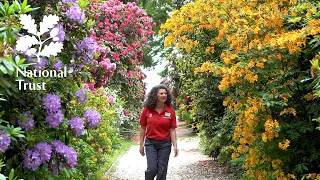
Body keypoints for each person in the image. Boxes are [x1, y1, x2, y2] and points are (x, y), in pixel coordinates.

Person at [139, 84, 179, 180]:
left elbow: (172, 130)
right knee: (152, 169)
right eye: (161, 93)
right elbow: (143, 127)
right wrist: (141, 145)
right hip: (150, 143)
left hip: (165, 144)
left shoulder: (170, 111)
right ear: (155, 95)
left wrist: (175, 146)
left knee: (162, 170)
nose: (164, 95)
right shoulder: (147, 110)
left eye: (165, 93)